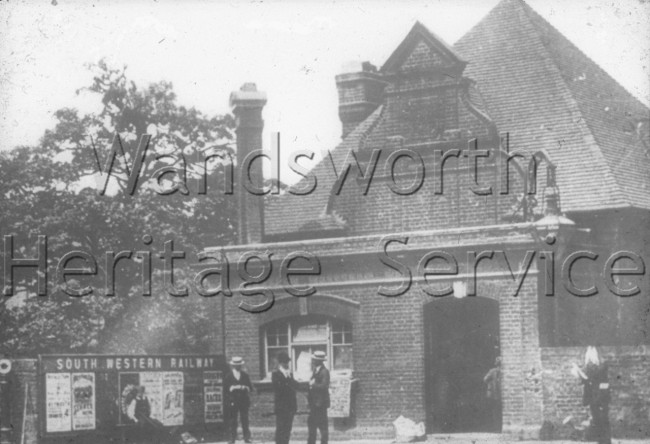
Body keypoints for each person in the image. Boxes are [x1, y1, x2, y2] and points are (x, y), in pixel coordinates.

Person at [571, 346, 611, 444]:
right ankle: (603, 440)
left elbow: (589, 378)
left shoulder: (598, 366)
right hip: (597, 397)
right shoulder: (596, 366)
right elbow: (585, 380)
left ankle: (604, 441)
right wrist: (578, 373)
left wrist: (580, 373)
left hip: (599, 396)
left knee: (601, 419)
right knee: (599, 419)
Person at [224, 356, 254, 444]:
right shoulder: (228, 376)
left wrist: (243, 387)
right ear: (233, 366)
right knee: (233, 420)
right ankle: (232, 438)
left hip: (243, 401)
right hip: (233, 401)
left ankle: (247, 438)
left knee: (245, 420)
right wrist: (232, 388)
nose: (238, 367)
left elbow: (250, 388)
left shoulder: (245, 375)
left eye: (239, 365)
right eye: (236, 365)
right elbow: (225, 390)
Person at [272, 351, 298, 444]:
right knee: (280, 428)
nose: (286, 364)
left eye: (287, 362)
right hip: (281, 406)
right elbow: (279, 388)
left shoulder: (289, 373)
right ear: (280, 363)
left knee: (288, 428)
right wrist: (289, 381)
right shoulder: (276, 374)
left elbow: (294, 385)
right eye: (284, 362)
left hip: (290, 406)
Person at [307, 351, 330, 444]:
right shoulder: (315, 370)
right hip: (314, 403)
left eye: (314, 360)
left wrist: (314, 384)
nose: (312, 361)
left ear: (319, 361)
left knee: (322, 427)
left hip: (320, 404)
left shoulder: (324, 371)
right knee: (312, 426)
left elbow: (324, 385)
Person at [483, 357, 502, 432]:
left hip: (494, 394)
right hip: (499, 394)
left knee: (495, 411)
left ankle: (496, 428)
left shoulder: (492, 371)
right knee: (498, 411)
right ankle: (499, 427)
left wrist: (490, 384)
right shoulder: (504, 371)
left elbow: (485, 379)